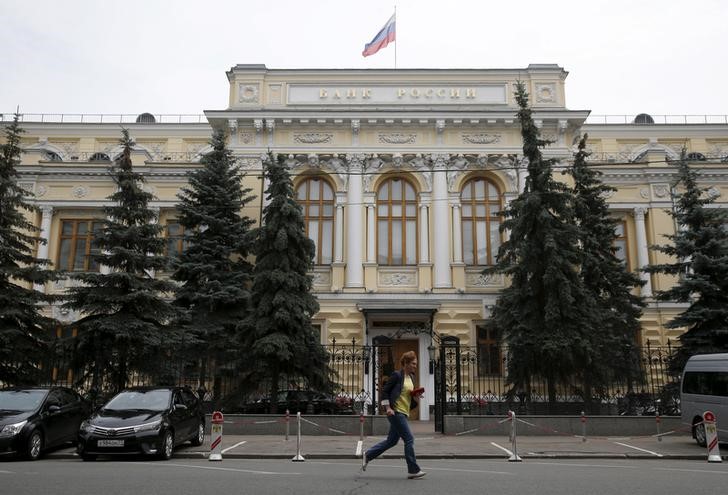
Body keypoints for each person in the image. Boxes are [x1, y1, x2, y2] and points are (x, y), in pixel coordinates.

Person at [362, 351, 426, 479]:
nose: (415, 366)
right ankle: (413, 470)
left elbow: (405, 394)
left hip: (404, 412)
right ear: (406, 363)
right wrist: (388, 408)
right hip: (395, 412)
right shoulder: (397, 375)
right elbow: (384, 392)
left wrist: (416, 396)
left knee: (391, 441)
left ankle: (368, 455)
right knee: (409, 439)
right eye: (413, 364)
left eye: (416, 364)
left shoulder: (411, 377)